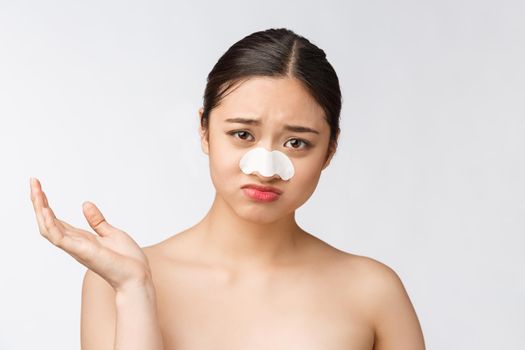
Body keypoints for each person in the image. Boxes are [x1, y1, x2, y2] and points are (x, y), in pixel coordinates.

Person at [30, 27, 426, 350]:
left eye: (296, 143)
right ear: (204, 131)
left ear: (330, 149)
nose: (266, 168)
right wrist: (136, 292)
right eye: (242, 134)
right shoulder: (114, 280)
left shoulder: (374, 292)